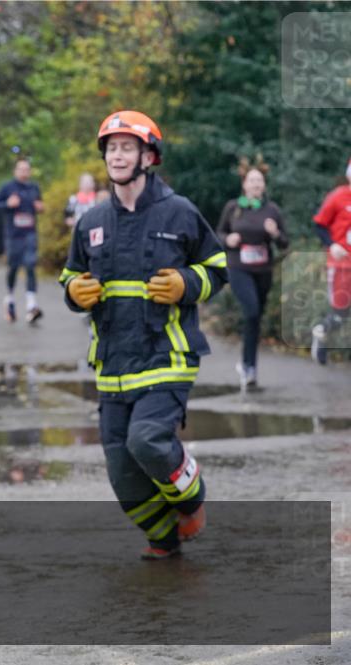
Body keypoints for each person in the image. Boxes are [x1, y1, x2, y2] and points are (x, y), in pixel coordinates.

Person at [58, 110, 228, 560]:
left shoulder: (179, 211)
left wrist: (186, 285)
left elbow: (217, 268)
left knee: (147, 441)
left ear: (148, 156)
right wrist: (75, 290)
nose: (117, 155)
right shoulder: (91, 221)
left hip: (166, 356)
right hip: (113, 367)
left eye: (126, 147)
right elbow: (68, 276)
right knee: (122, 472)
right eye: (111, 148)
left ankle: (192, 497)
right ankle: (163, 540)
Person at [216, 158, 288, 387]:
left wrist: (275, 233)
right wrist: (228, 238)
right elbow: (218, 233)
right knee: (251, 311)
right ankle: (247, 366)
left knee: (255, 319)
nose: (256, 184)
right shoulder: (233, 208)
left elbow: (285, 242)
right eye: (252, 180)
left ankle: (250, 367)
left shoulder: (272, 210)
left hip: (263, 270)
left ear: (264, 185)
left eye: (260, 181)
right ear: (244, 184)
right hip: (239, 268)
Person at [310, 157, 351, 364]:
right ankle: (321, 333)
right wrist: (332, 245)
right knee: (340, 312)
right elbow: (319, 224)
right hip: (342, 266)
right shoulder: (338, 197)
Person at [0, 157, 44, 323]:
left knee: (30, 265)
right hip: (13, 235)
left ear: (30, 172)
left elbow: (40, 205)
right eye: (21, 169)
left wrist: (40, 208)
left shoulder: (34, 188)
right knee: (13, 267)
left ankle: (31, 306)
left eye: (26, 169)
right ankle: (9, 298)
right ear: (15, 171)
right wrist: (7, 204)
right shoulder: (7, 187)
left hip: (30, 233)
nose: (24, 172)